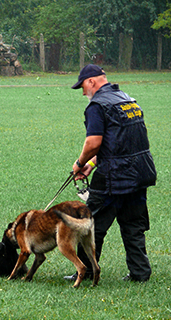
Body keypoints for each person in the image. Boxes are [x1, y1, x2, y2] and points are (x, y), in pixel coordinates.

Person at [64, 64, 156, 283]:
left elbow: (94, 142)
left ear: (92, 82)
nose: (84, 93)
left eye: (83, 87)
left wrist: (80, 163)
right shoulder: (128, 100)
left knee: (90, 225)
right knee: (133, 225)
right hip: (140, 172)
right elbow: (122, 141)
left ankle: (85, 272)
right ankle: (140, 273)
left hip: (114, 176)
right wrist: (92, 164)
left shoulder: (97, 105)